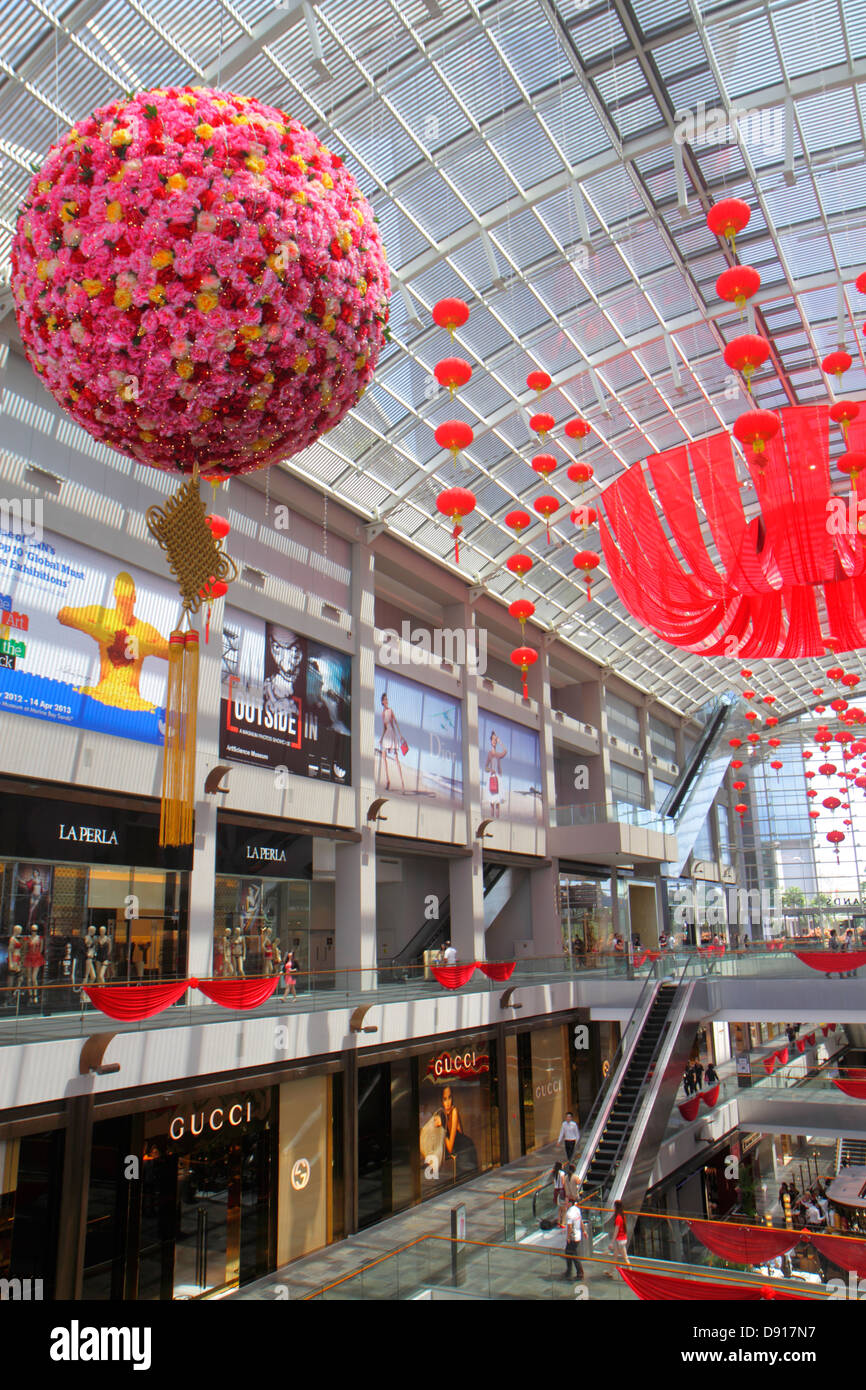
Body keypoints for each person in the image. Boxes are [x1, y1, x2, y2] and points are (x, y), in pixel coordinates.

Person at [58, 571, 170, 711]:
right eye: (121, 601)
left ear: (134, 598)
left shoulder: (145, 630)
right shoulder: (103, 616)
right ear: (115, 594)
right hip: (103, 694)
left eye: (127, 601)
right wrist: (93, 629)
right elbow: (64, 614)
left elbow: (175, 654)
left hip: (131, 701)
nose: (123, 606)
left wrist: (151, 647)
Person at [433, 1085, 477, 1177]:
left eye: (449, 1098)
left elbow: (450, 1147)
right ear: (441, 1101)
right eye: (445, 1099)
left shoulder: (454, 1111)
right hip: (461, 1152)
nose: (448, 1103)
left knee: (466, 1179)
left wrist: (442, 1126)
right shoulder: (441, 1115)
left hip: (465, 1150)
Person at [377, 691, 406, 792]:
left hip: (392, 734)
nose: (386, 701)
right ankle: (388, 780)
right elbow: (384, 728)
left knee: (396, 759)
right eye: (385, 699)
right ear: (382, 702)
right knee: (384, 757)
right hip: (386, 734)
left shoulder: (390, 711)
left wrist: (400, 734)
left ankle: (402, 783)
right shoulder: (382, 713)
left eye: (387, 699)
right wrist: (381, 738)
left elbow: (395, 723)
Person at [484, 730, 507, 819]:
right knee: (492, 802)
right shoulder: (490, 754)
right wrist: (490, 770)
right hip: (492, 778)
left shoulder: (498, 754)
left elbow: (505, 751)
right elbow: (485, 767)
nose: (494, 741)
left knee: (497, 803)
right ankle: (492, 819)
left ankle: (497, 820)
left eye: (495, 739)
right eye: (493, 739)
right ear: (490, 741)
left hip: (498, 778)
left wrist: (500, 741)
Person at [604, 1199, 630, 1275]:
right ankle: (611, 1271)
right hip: (623, 1239)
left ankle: (631, 1271)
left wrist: (612, 1242)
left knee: (624, 1257)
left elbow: (616, 1231)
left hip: (619, 1240)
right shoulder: (622, 1216)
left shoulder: (618, 1218)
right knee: (615, 1256)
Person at [563, 1196, 584, 1281]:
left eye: (566, 1202)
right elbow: (581, 1221)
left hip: (573, 1237)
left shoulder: (569, 1213)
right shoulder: (576, 1209)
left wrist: (568, 1237)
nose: (565, 1203)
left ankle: (579, 1273)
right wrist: (584, 1231)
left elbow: (569, 1226)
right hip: (577, 1235)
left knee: (573, 1255)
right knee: (569, 1253)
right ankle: (569, 1270)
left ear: (570, 1203)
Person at [551, 1161, 567, 1228]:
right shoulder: (562, 1173)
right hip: (561, 1191)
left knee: (560, 1208)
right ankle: (563, 1223)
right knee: (564, 1208)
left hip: (556, 1191)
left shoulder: (554, 1173)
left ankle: (558, 1222)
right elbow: (563, 1183)